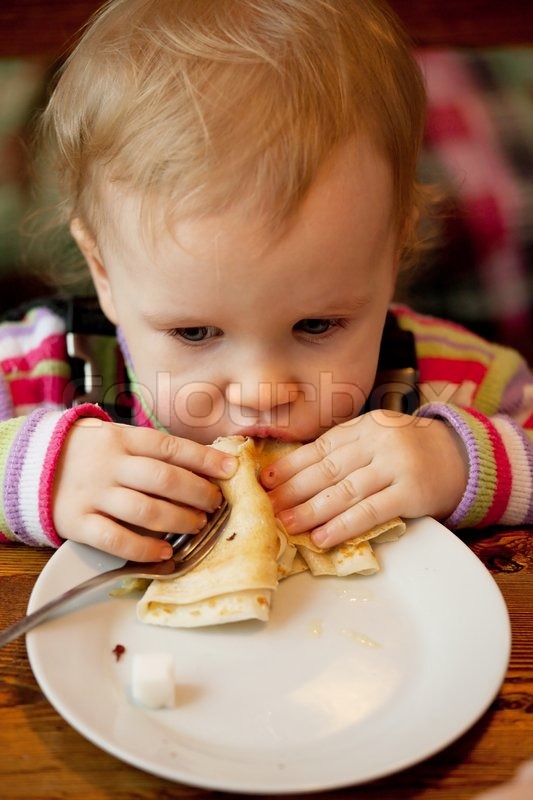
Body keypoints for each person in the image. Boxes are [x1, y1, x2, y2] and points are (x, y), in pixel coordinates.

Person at [0, 0, 531, 563]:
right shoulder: (41, 369)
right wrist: (40, 474)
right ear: (104, 271)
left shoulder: (454, 381)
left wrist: (457, 460)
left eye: (317, 324)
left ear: (392, 251)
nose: (261, 393)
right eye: (195, 333)